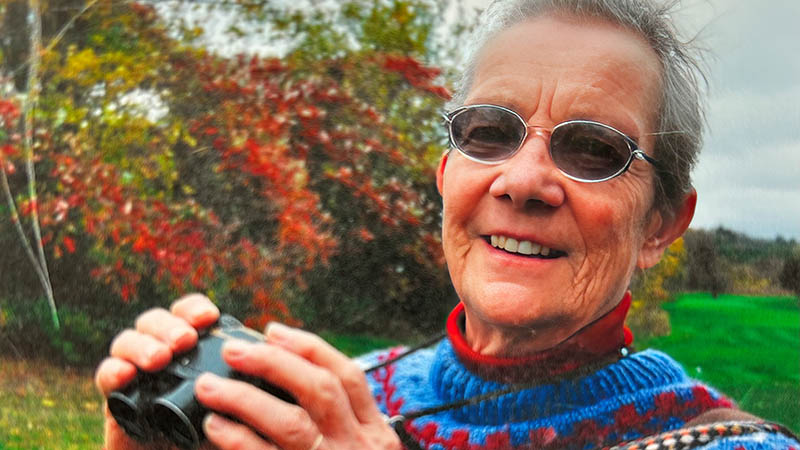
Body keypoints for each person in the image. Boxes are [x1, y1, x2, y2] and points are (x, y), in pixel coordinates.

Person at [95, 0, 800, 449]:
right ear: (445, 178)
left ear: (661, 225)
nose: (520, 182)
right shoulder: (344, 394)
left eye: (592, 150)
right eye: (489, 131)